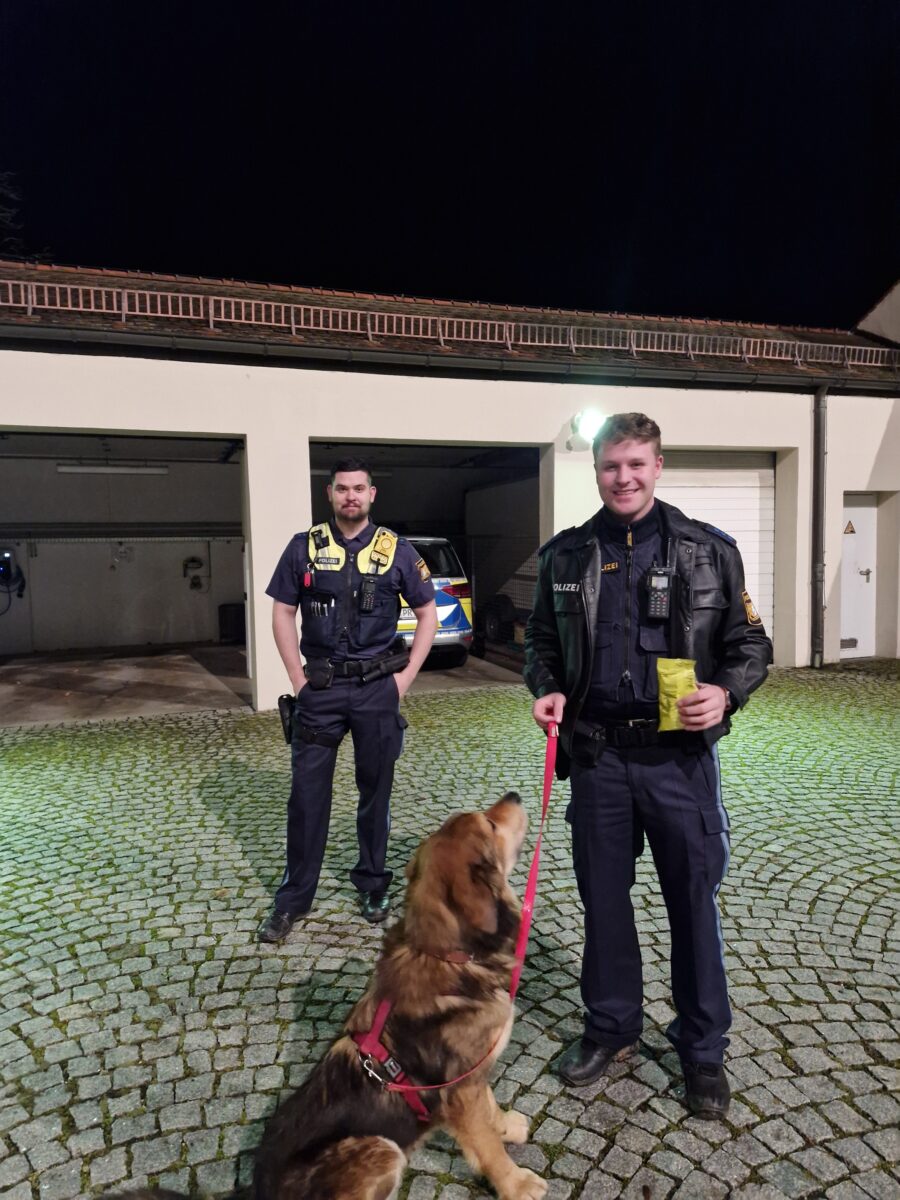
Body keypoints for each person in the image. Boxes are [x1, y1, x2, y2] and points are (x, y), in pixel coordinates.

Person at [524, 412, 771, 1119]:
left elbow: (751, 644)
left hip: (677, 762)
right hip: (597, 757)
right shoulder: (565, 557)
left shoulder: (709, 551)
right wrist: (546, 687)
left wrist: (726, 693)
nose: (624, 478)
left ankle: (702, 1048)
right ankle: (610, 1027)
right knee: (603, 903)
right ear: (596, 470)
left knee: (692, 902)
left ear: (658, 466)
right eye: (611, 465)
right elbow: (540, 639)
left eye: (636, 464)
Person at [259, 456, 438, 941]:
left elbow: (428, 613)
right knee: (306, 798)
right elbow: (282, 611)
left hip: (378, 689)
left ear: (372, 494)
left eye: (359, 488)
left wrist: (404, 680)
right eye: (342, 488)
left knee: (375, 794)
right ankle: (293, 898)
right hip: (319, 691)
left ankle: (373, 884)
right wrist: (296, 678)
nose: (351, 496)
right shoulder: (303, 548)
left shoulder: (397, 550)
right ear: (330, 494)